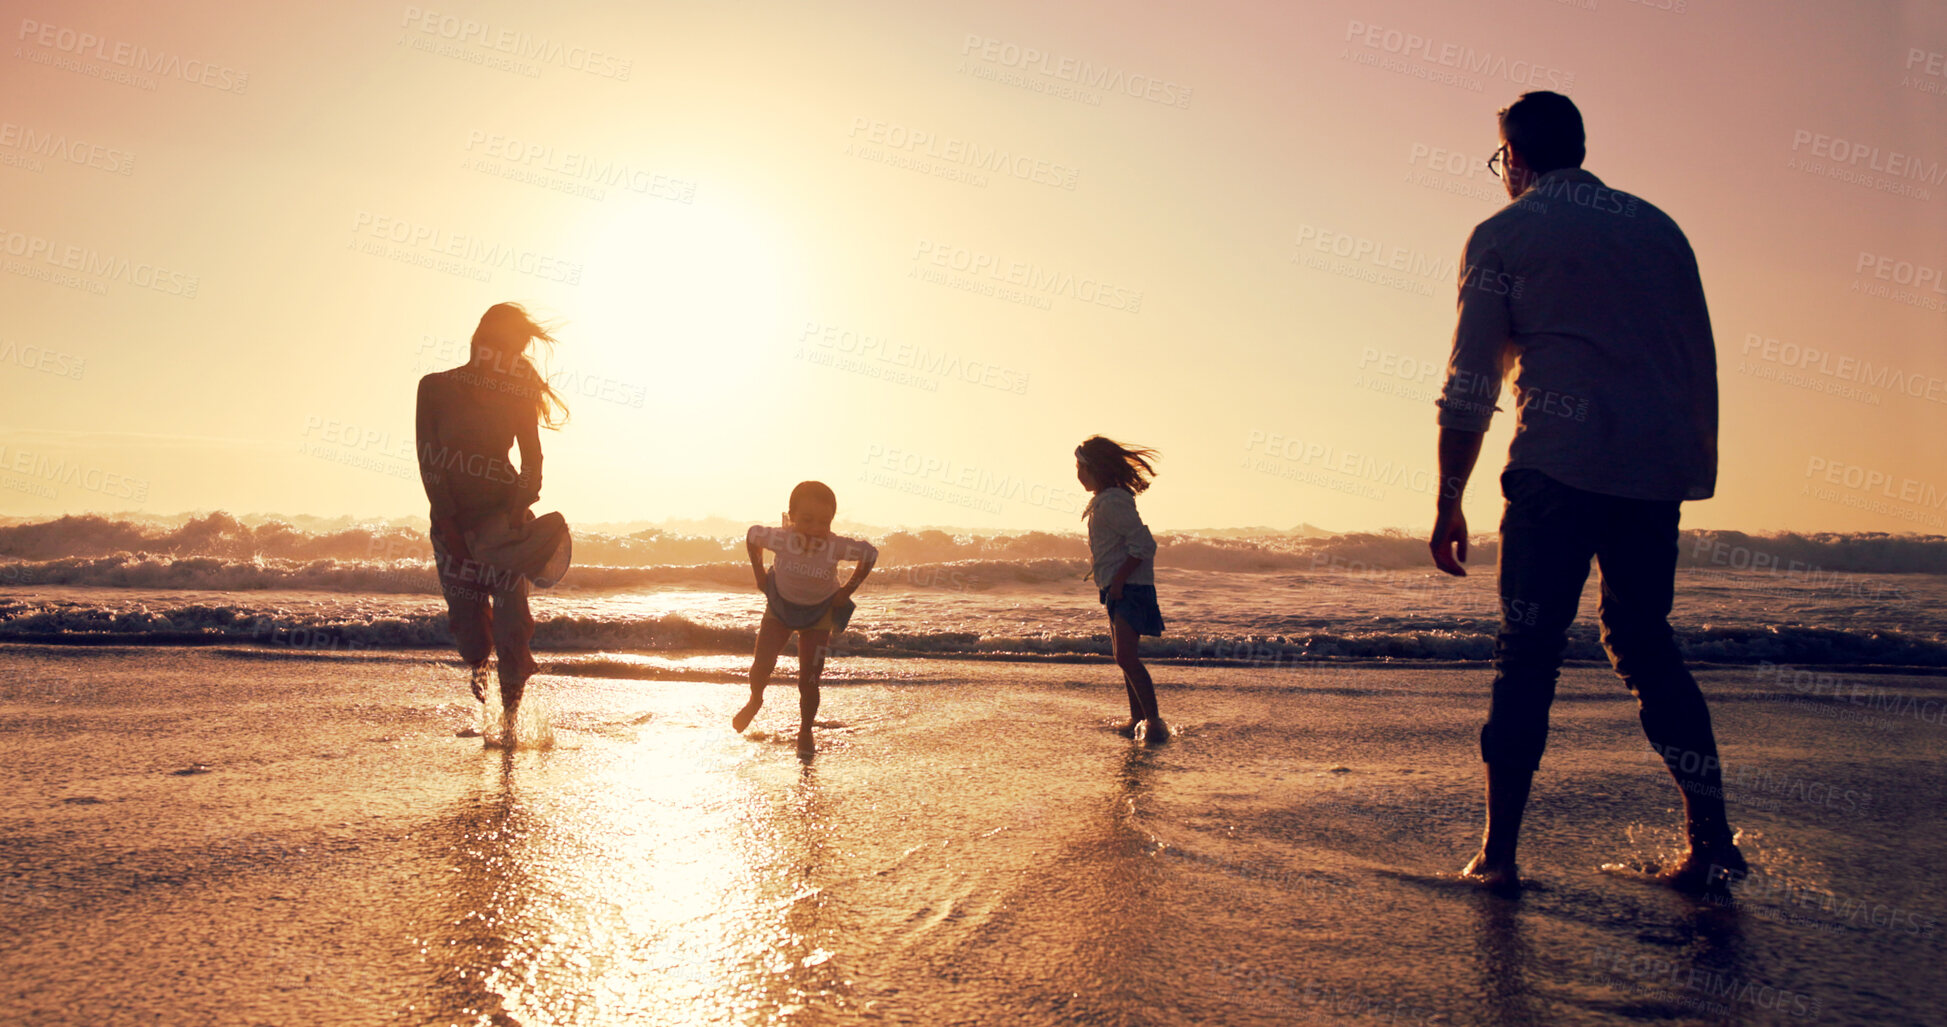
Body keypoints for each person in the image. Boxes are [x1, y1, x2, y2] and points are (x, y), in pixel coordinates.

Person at [1427, 91, 1742, 891]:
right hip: (1650, 473)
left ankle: (1498, 855)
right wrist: (1680, 464)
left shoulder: (1504, 233)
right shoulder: (1657, 227)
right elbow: (1689, 355)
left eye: (1501, 159)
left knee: (1526, 653)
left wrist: (1448, 495)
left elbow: (1471, 380)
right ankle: (1710, 839)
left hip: (1555, 469)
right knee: (1644, 643)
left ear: (1516, 159)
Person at [416, 302, 573, 736]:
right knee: (471, 640)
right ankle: (479, 664)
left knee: (510, 628)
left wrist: (518, 507)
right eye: (506, 345)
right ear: (480, 340)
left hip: (503, 526)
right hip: (450, 528)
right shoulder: (434, 388)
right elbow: (429, 463)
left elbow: (533, 462)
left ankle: (508, 725)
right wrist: (450, 528)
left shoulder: (516, 394)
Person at [734, 481, 877, 755]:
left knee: (809, 679)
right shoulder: (782, 538)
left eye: (823, 522)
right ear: (792, 516)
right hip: (780, 607)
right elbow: (752, 536)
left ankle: (805, 731)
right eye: (807, 520)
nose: (814, 529)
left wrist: (846, 591)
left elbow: (870, 554)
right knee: (762, 664)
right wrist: (759, 575)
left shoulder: (835, 546)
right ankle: (755, 700)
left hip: (819, 612)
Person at [1075, 436, 1167, 743]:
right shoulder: (1106, 499)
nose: (1078, 474)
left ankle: (1154, 723)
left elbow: (1144, 545)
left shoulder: (1113, 502)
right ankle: (1137, 719)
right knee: (1122, 656)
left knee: (1126, 656)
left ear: (1096, 468)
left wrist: (1118, 581)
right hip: (1117, 588)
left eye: (1081, 467)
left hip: (1130, 589)